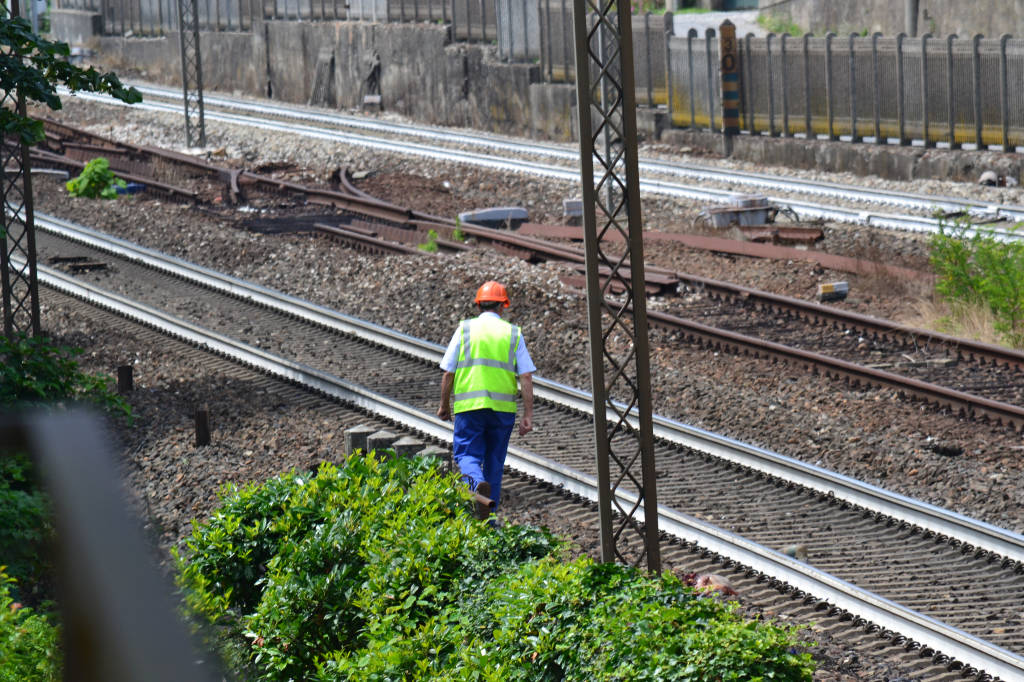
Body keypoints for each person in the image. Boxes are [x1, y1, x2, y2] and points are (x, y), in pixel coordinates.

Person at [437, 281, 534, 514]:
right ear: (503, 307)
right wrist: (528, 414)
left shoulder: (465, 330)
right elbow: (526, 376)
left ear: (478, 305)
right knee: (494, 463)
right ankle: (488, 520)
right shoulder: (513, 333)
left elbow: (448, 372)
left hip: (469, 408)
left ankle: (474, 492)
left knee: (468, 456)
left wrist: (444, 405)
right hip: (502, 412)